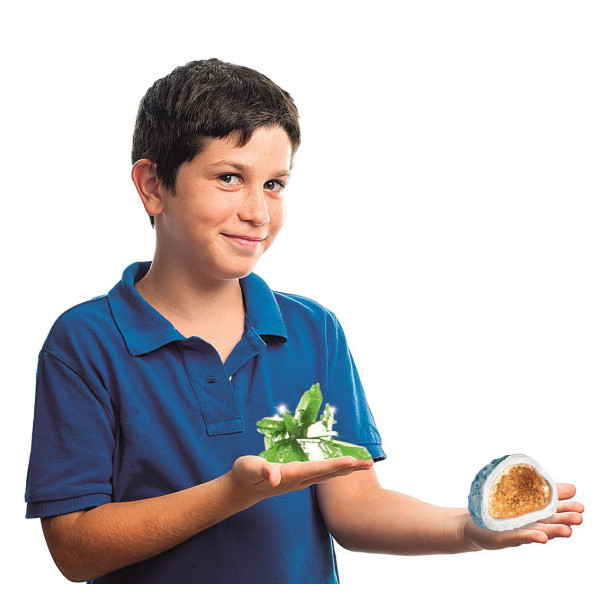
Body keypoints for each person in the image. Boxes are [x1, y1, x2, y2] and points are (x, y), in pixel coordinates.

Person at [24, 58, 584, 584]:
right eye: (229, 177)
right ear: (152, 186)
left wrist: (468, 530)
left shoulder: (313, 331)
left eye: (274, 184)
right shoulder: (85, 342)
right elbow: (74, 548)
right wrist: (232, 494)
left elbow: (355, 506)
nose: (257, 212)